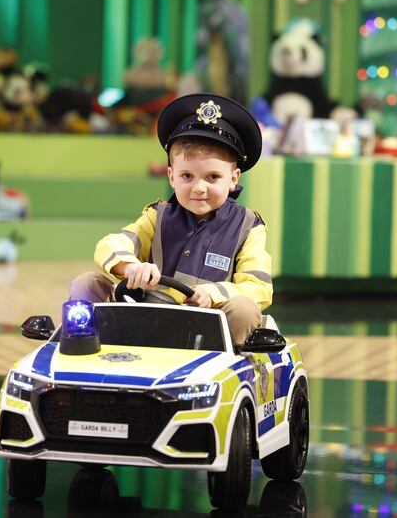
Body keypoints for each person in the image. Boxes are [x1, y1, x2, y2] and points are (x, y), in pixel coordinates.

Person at [69, 93, 273, 346]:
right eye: (187, 176)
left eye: (212, 177)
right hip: (148, 319)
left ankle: (225, 369)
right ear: (171, 177)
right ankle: (85, 349)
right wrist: (131, 267)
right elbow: (112, 243)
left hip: (209, 333)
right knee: (86, 284)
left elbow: (258, 287)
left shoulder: (248, 226)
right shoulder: (158, 215)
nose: (199, 188)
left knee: (244, 308)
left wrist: (213, 294)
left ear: (233, 179)